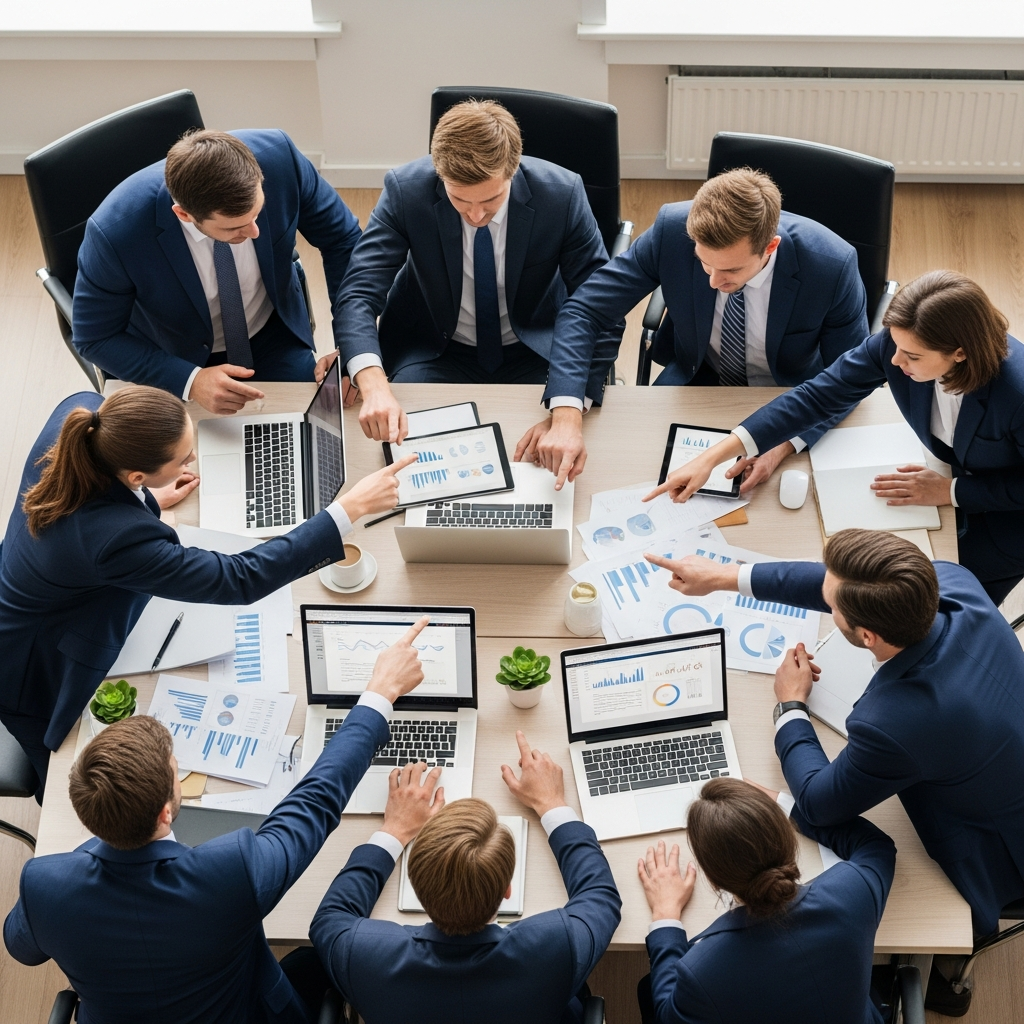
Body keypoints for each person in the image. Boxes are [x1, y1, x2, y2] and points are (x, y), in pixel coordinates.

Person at [645, 529, 1024, 1015]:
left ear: (867, 636)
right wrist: (725, 577)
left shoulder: (895, 723)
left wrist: (790, 708)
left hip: (999, 843)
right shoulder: (951, 583)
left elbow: (819, 802)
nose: (826, 595)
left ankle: (945, 979)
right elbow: (838, 586)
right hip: (998, 746)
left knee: (931, 917)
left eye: (834, 606)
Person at [3, 619, 429, 1024]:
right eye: (176, 769)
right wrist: (379, 693)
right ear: (166, 811)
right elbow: (316, 802)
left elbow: (22, 949)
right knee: (318, 956)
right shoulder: (230, 872)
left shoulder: (44, 884)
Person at [0, 385, 416, 797]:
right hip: (32, 662)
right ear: (135, 474)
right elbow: (240, 578)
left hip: (41, 576)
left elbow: (97, 509)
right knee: (62, 780)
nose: (194, 460)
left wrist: (142, 499)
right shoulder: (113, 540)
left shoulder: (84, 414)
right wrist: (350, 508)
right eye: (183, 457)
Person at [654, 271, 1024, 605]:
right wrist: (716, 455)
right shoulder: (897, 347)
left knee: (923, 602)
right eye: (894, 346)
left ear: (960, 353)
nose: (894, 362)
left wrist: (951, 492)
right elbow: (817, 396)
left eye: (911, 355)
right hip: (953, 473)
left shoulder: (1018, 393)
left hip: (1011, 522)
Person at [322, 99, 622, 489]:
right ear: (439, 174)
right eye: (460, 200)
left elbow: (602, 308)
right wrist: (373, 382)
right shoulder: (405, 190)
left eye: (490, 201)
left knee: (542, 471)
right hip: (435, 350)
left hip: (538, 350)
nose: (476, 216)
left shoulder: (562, 195)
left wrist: (569, 410)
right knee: (408, 468)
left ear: (513, 170)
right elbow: (358, 292)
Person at [524, 166, 869, 489]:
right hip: (696, 383)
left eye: (731, 271)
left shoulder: (831, 266)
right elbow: (586, 310)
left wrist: (785, 444)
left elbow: (850, 378)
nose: (715, 281)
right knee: (632, 473)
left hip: (791, 397)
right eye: (705, 264)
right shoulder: (671, 231)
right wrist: (567, 414)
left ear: (770, 247)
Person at [310, 730, 622, 1024]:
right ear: (507, 890)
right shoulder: (557, 946)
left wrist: (394, 830)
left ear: (416, 887)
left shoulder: (362, 953)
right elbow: (600, 896)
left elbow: (330, 917)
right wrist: (552, 803)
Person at [72, 128, 362, 414]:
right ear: (183, 214)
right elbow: (94, 337)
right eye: (234, 227)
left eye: (257, 213)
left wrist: (352, 348)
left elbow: (344, 241)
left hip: (273, 334)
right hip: (173, 355)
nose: (254, 231)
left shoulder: (281, 158)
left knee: (315, 426)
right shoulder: (114, 233)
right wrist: (190, 381)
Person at [636, 777, 896, 1024]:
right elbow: (875, 846)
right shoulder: (853, 892)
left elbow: (667, 1016)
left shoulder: (702, 973)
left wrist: (665, 915)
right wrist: (787, 804)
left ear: (714, 881)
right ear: (788, 837)